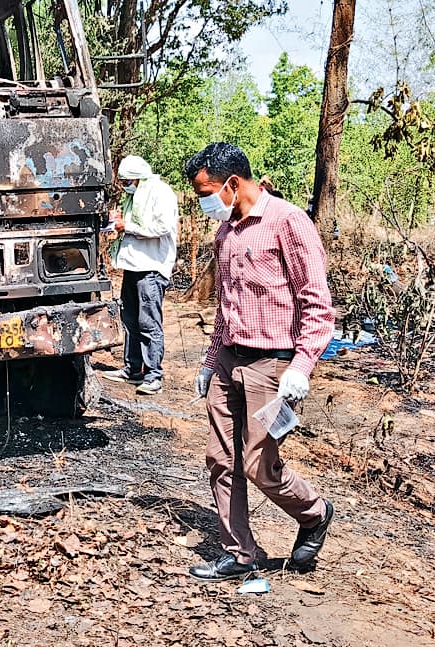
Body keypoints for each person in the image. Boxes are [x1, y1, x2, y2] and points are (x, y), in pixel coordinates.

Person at [182, 142, 336, 580]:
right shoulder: (225, 231)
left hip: (273, 366)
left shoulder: (288, 222)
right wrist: (211, 361)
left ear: (232, 183)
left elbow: (316, 303)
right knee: (220, 459)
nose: (204, 203)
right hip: (230, 360)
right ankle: (240, 553)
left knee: (257, 464)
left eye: (205, 192)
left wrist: (302, 365)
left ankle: (314, 512)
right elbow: (224, 305)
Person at [101, 155, 178, 395]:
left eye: (127, 180)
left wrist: (129, 227)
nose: (125, 184)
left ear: (139, 177)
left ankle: (153, 374)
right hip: (133, 266)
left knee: (149, 322)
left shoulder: (160, 193)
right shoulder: (133, 197)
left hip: (152, 267)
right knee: (131, 319)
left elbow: (163, 227)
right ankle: (133, 368)